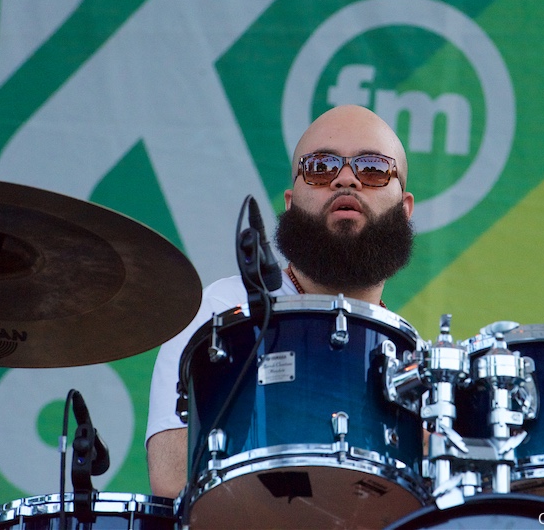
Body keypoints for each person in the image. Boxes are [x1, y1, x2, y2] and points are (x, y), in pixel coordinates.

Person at [145, 104, 416, 498]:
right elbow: (171, 479)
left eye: (373, 168)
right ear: (290, 202)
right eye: (321, 167)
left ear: (405, 211)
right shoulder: (221, 310)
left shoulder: (414, 359)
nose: (346, 179)